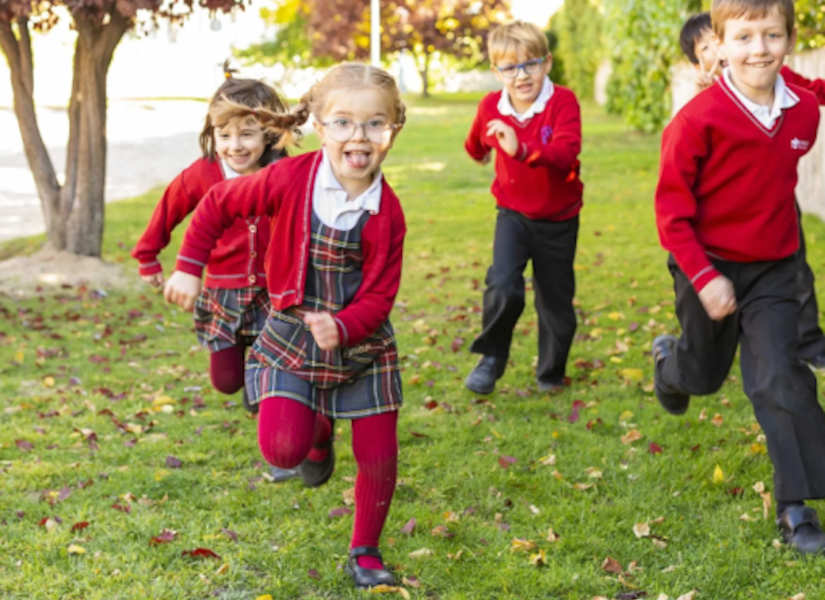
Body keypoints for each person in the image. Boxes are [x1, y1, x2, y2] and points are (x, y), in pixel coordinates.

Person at [162, 63, 406, 588]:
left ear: (394, 130)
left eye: (374, 124)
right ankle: (317, 439)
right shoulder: (290, 178)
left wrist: (344, 326)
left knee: (379, 450)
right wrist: (187, 265)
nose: (358, 137)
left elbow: (382, 293)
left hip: (360, 343)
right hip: (292, 331)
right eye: (342, 123)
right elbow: (217, 205)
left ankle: (365, 549)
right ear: (319, 126)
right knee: (281, 449)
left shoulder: (387, 212)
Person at [654, 0, 825, 554]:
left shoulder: (803, 110)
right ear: (719, 46)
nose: (759, 49)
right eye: (745, 37)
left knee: (781, 375)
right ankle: (669, 365)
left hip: (775, 266)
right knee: (704, 375)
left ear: (788, 40)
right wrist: (705, 277)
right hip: (707, 264)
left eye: (771, 35)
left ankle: (795, 507)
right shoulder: (697, 120)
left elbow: (809, 91)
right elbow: (672, 215)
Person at [132, 75, 300, 482]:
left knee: (274, 369)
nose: (235, 145)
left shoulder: (286, 172)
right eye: (224, 134)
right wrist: (148, 257)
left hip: (273, 293)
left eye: (247, 134)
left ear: (271, 133)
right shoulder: (203, 174)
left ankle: (284, 441)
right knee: (226, 382)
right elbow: (167, 211)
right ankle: (253, 385)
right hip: (222, 291)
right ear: (212, 134)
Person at [678, 10, 825, 368]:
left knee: (795, 271)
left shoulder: (771, 73)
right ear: (699, 59)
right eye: (705, 49)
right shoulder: (704, 102)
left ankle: (807, 342)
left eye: (715, 42)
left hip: (774, 200)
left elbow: (809, 90)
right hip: (728, 215)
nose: (714, 52)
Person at [463, 20, 583, 395]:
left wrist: (522, 150)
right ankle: (491, 359)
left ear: (546, 63)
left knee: (555, 302)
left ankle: (550, 372)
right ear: (496, 72)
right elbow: (476, 146)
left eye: (530, 63)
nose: (522, 75)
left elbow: (566, 153)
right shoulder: (490, 106)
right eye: (510, 67)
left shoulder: (562, 101)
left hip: (558, 219)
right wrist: (483, 151)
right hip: (513, 215)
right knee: (503, 284)